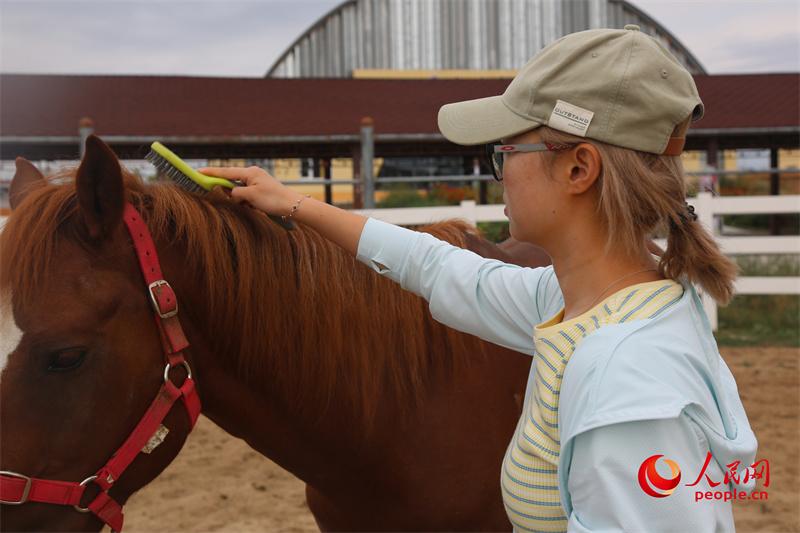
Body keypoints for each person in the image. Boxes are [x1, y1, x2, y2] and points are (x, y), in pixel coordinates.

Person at [202, 25, 757, 533]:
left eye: (505, 149)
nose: (499, 170)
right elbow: (440, 268)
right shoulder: (582, 302)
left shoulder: (625, 376)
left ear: (578, 169)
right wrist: (295, 204)